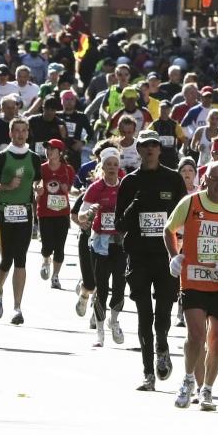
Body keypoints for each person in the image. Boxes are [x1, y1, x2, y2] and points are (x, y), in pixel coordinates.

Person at [164, 159, 218, 410]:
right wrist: (175, 256)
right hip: (193, 278)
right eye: (214, 179)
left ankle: (208, 390)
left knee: (216, 339)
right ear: (205, 180)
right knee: (195, 335)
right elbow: (168, 229)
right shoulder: (190, 202)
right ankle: (188, 379)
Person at [117, 134, 187, 390]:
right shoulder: (129, 182)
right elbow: (119, 224)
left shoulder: (173, 179)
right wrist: (135, 206)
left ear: (160, 150)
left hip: (166, 256)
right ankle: (148, 373)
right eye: (145, 145)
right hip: (138, 255)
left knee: (163, 313)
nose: (150, 149)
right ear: (138, 149)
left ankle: (163, 346)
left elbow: (185, 219)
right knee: (144, 314)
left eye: (154, 145)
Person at [0, 117, 39, 324]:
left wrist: (39, 187)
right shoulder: (1, 157)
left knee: (21, 258)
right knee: (6, 258)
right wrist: (6, 186)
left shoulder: (34, 157)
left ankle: (17, 307)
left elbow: (38, 179)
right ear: (10, 133)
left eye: (23, 131)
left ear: (28, 133)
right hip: (4, 212)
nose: (20, 134)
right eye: (16, 130)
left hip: (25, 213)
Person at [79, 148, 127, 347]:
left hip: (119, 243)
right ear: (103, 166)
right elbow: (81, 215)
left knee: (119, 288)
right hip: (100, 244)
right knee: (102, 288)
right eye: (108, 164)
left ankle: (113, 321)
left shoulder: (125, 186)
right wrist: (90, 211)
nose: (112, 168)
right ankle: (99, 332)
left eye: (115, 164)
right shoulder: (96, 188)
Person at [34, 139, 77, 290]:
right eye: (47, 148)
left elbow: (70, 188)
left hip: (62, 212)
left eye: (52, 149)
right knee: (47, 246)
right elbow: (36, 186)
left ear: (60, 152)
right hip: (45, 212)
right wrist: (38, 190)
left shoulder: (68, 169)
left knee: (59, 247)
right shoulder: (41, 168)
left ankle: (55, 276)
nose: (49, 151)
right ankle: (46, 259)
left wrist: (71, 190)